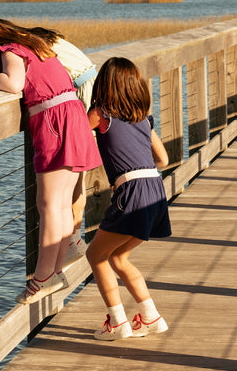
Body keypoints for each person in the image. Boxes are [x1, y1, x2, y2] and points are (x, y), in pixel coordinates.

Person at [0, 18, 102, 305]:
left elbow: (14, 84)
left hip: (53, 121)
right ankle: (55, 271)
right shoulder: (35, 46)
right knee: (60, 205)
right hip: (72, 115)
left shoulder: (10, 50)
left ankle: (41, 278)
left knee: (49, 206)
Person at [86, 57, 172, 340]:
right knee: (120, 258)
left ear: (104, 84)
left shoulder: (100, 114)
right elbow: (163, 158)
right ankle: (150, 318)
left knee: (95, 255)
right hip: (156, 191)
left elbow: (77, 137)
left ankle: (118, 321)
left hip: (131, 193)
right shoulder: (143, 119)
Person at [27, 25, 98, 267]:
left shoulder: (34, 47)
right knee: (78, 173)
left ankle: (73, 240)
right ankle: (73, 240)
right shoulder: (51, 41)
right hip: (89, 85)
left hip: (80, 94)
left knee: (76, 174)